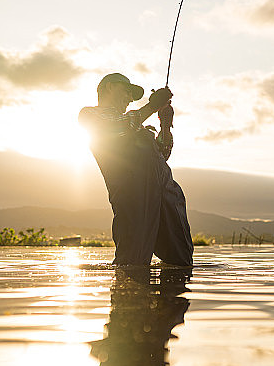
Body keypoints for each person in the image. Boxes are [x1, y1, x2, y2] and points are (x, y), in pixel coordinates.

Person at [79, 73, 193, 267]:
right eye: (127, 91)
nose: (130, 99)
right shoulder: (91, 115)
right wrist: (151, 106)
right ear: (109, 87)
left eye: (132, 96)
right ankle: (128, 294)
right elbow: (117, 127)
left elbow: (162, 155)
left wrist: (164, 125)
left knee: (181, 261)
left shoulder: (137, 124)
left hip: (167, 195)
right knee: (132, 262)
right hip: (133, 197)